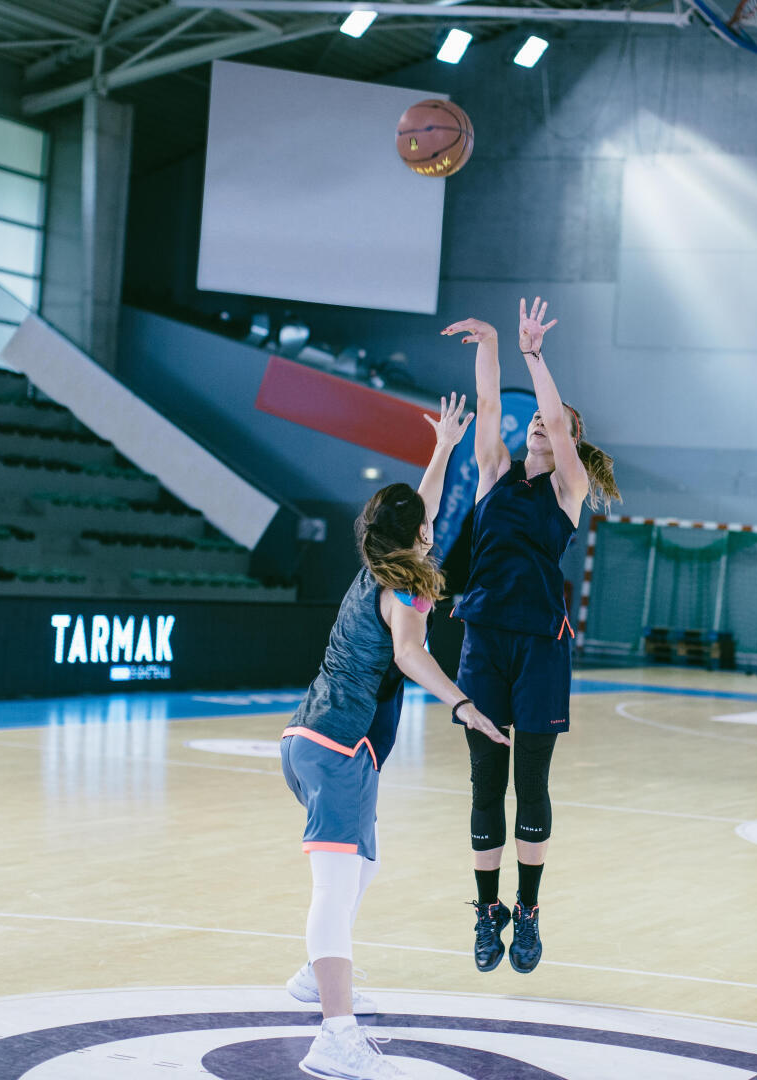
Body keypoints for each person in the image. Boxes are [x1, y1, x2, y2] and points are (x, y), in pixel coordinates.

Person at [281, 393, 510, 1080]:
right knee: (331, 887)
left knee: (364, 868)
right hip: (337, 748)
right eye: (427, 526)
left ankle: (311, 978)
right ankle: (334, 1036)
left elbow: (424, 505)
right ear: (417, 539)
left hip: (317, 743)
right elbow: (410, 655)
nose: (434, 527)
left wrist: (442, 448)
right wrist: (463, 703)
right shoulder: (405, 591)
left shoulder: (383, 566)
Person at [441, 299, 619, 976]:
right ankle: (488, 914)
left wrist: (534, 356)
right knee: (486, 784)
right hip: (483, 640)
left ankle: (531, 910)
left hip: (541, 647)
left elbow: (563, 434)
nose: (542, 424)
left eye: (556, 422)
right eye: (538, 420)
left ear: (567, 435)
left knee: (532, 785)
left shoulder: (568, 488)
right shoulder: (493, 475)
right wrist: (490, 343)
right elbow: (490, 411)